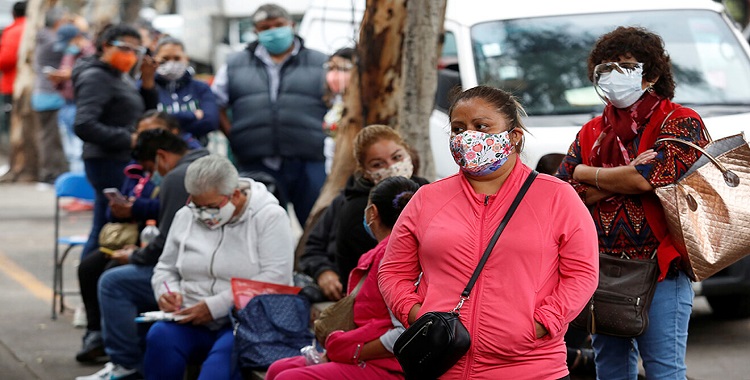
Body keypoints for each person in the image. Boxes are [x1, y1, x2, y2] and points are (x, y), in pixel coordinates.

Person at [377, 86, 599, 379]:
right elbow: (392, 272)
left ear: (514, 136)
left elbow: (582, 274)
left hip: (533, 369)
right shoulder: (426, 199)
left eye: (481, 126)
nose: (468, 136)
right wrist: (417, 315)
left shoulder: (557, 196)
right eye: (458, 128)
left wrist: (542, 323)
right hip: (443, 366)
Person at [555, 27, 707, 380]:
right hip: (602, 270)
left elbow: (650, 179)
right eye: (604, 68)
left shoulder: (681, 121)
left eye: (623, 66)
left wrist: (587, 173)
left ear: (651, 74)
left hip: (662, 269)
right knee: (610, 370)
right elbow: (565, 192)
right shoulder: (592, 130)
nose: (612, 77)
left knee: (664, 370)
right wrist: (624, 176)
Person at [143, 155, 295, 380]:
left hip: (246, 323)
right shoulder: (186, 216)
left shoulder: (269, 216)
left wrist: (215, 306)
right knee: (160, 338)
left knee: (217, 372)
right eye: (197, 206)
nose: (204, 215)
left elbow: (276, 279)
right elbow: (165, 268)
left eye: (212, 207)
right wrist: (167, 291)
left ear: (235, 194)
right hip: (190, 316)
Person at [76, 129, 209, 380]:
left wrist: (135, 256)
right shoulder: (204, 163)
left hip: (188, 274)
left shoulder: (178, 177)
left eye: (150, 169)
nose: (152, 176)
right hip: (196, 269)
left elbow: (168, 245)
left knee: (112, 282)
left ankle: (125, 364)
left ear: (161, 156)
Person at [268, 176, 421, 380]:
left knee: (287, 378)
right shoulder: (384, 252)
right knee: (277, 369)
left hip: (391, 365)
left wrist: (352, 351)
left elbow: (405, 333)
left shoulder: (396, 258)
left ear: (372, 213)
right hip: (366, 351)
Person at [211, 3, 329, 226]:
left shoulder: (320, 61)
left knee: (317, 225)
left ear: (292, 26)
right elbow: (215, 103)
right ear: (255, 31)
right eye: (265, 27)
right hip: (257, 161)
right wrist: (233, 136)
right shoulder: (235, 64)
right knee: (261, 225)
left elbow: (338, 105)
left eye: (279, 25)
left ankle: (312, 262)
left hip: (308, 159)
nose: (273, 31)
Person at [298, 125, 428, 301]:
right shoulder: (350, 207)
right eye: (378, 164)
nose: (392, 167)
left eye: (397, 157)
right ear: (365, 171)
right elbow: (313, 248)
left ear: (408, 154)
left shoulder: (425, 191)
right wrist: (323, 271)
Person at [73, 23, 158, 258]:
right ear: (106, 46)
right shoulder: (96, 77)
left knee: (110, 226)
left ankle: (95, 281)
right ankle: (91, 281)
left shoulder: (120, 76)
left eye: (136, 50)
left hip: (121, 159)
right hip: (107, 161)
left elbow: (143, 116)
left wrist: (148, 84)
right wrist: (128, 139)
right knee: (106, 228)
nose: (131, 55)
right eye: (125, 48)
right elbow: (84, 124)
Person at [153, 36, 219, 145]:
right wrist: (191, 115)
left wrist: (163, 122)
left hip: (196, 153)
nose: (171, 63)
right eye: (165, 59)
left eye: (177, 58)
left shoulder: (201, 88)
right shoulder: (147, 89)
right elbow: (146, 124)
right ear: (155, 59)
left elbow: (211, 122)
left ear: (186, 59)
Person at [31, 7, 69, 183]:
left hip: (41, 94)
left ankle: (50, 173)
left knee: (47, 137)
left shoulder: (42, 38)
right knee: (51, 139)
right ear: (57, 23)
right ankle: (50, 174)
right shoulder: (52, 41)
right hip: (50, 95)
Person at [322, 46, 355, 174]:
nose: (335, 75)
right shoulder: (336, 101)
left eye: (343, 69)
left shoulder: (362, 106)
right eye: (331, 68)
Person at [0, 1, 25, 150]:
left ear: (13, 13)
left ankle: (13, 156)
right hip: (25, 86)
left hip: (13, 85)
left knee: (11, 123)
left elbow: (5, 59)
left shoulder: (14, 31)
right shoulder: (31, 28)